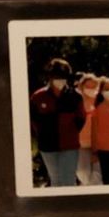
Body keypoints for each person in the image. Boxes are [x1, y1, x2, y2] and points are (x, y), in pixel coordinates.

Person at [28, 57, 81, 188]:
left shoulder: (75, 96)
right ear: (50, 76)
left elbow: (81, 119)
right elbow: (34, 120)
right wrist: (44, 134)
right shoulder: (38, 97)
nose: (60, 79)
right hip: (48, 145)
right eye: (56, 76)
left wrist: (70, 133)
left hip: (70, 145)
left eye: (63, 76)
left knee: (68, 180)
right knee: (55, 180)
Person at [74, 73, 102, 186]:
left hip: (98, 144)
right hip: (80, 145)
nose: (90, 89)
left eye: (93, 86)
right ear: (81, 86)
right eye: (87, 86)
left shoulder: (100, 101)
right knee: (82, 172)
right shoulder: (76, 101)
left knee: (97, 173)